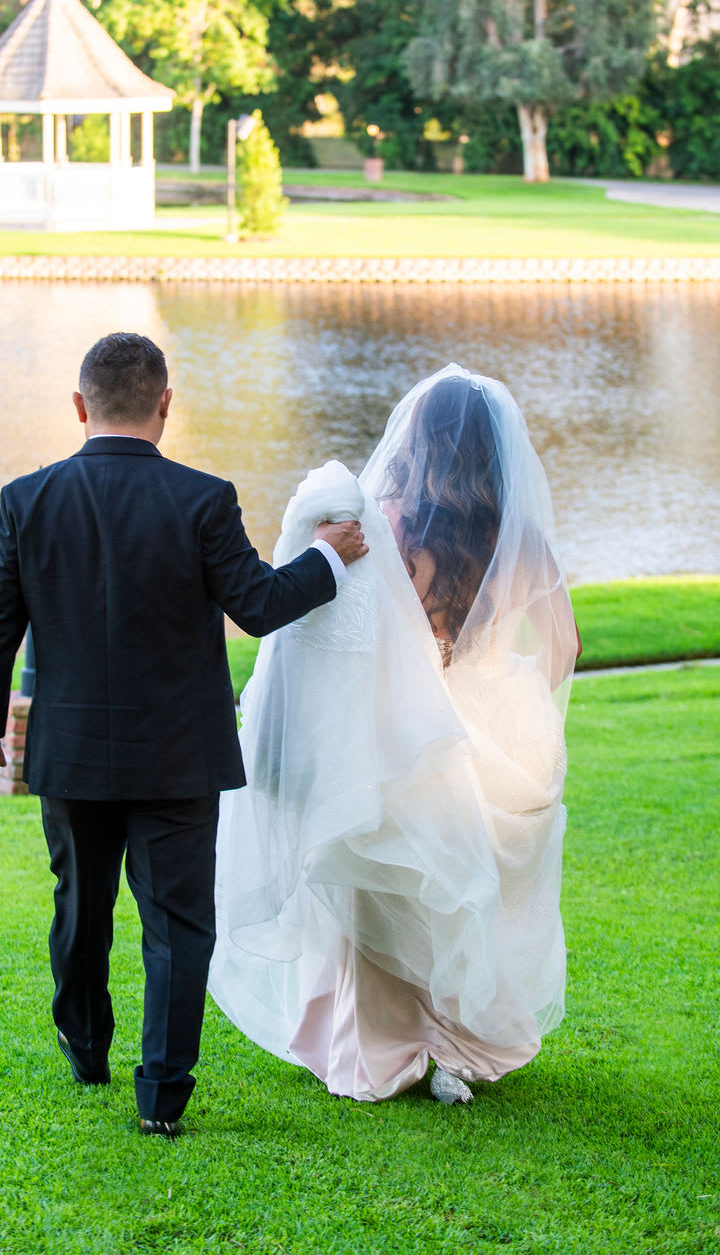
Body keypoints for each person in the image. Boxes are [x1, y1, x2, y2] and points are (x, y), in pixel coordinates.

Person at [0, 332, 367, 1138]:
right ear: (166, 404)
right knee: (177, 926)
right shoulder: (204, 498)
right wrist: (326, 557)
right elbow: (258, 605)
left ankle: (85, 1049)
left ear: (79, 407)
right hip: (180, 756)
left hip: (71, 754)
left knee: (80, 906)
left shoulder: (26, 498)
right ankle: (163, 1097)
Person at [210, 364, 579, 1104]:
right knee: (454, 893)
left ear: (419, 442)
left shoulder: (388, 525)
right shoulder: (522, 537)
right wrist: (523, 710)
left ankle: (384, 1044)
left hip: (413, 730)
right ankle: (454, 1039)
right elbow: (564, 644)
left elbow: (352, 638)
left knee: (384, 884)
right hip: (493, 727)